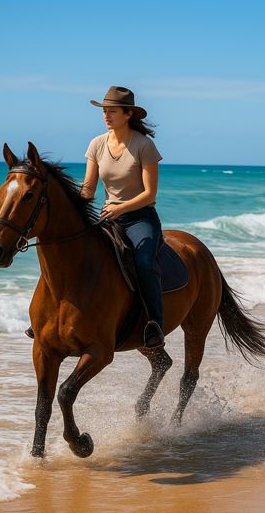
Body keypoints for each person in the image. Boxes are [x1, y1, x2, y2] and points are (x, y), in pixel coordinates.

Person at [82, 85, 166, 348]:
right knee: (70, 252)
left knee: (143, 263)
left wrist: (120, 208)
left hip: (141, 218)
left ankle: (155, 324)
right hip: (109, 217)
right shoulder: (96, 144)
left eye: (112, 111)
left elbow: (150, 194)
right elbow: (88, 189)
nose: (106, 116)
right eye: (104, 111)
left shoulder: (144, 145)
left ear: (128, 114)